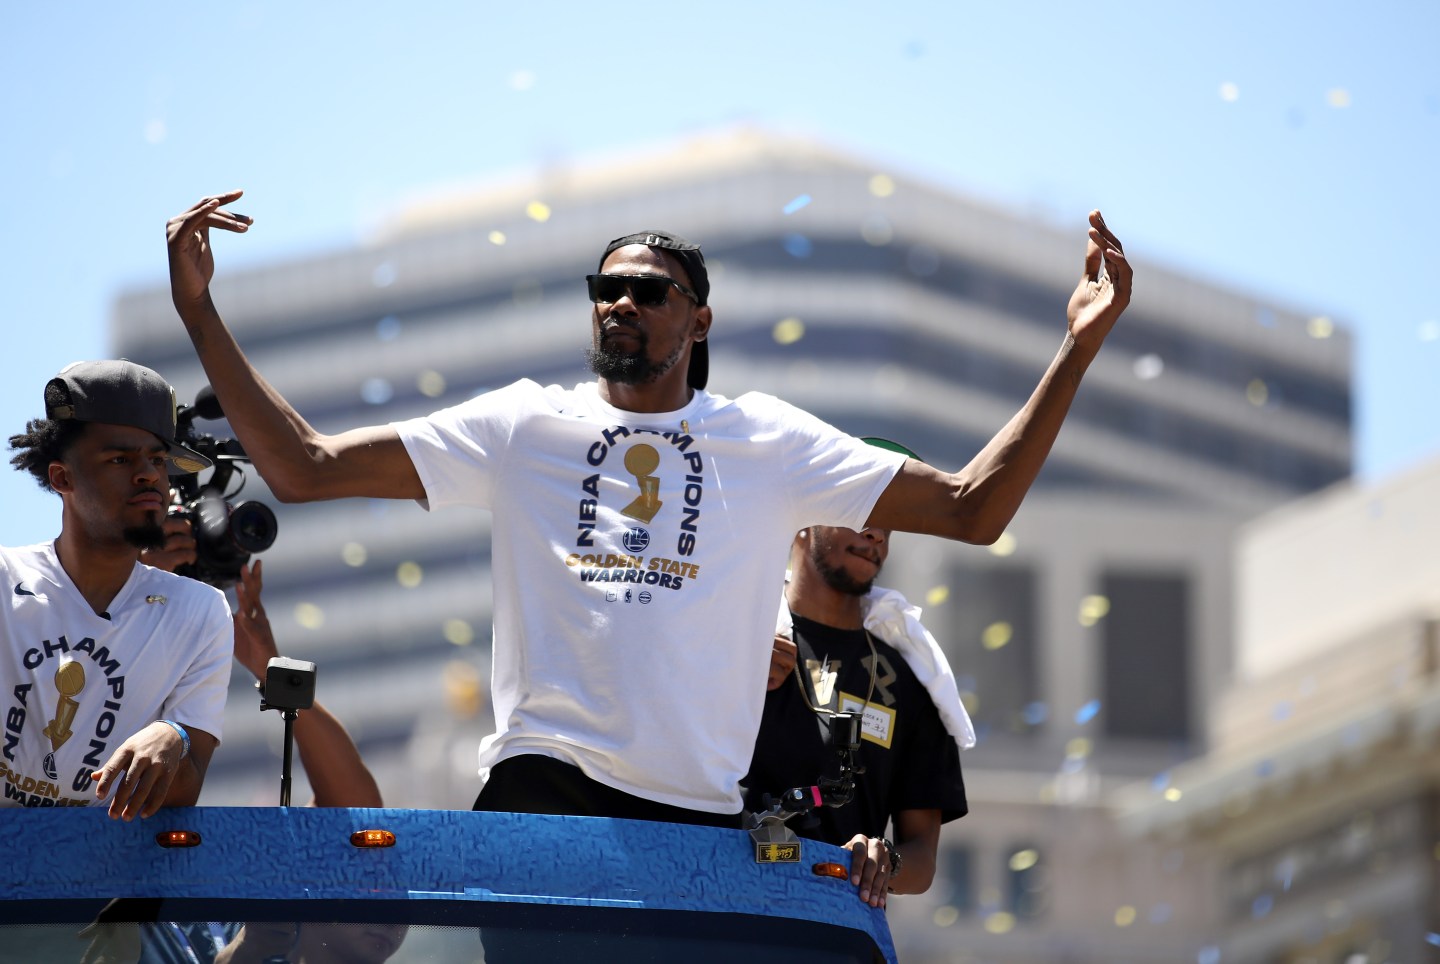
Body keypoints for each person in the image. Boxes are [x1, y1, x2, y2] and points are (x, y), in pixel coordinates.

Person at [165, 191, 1131, 828]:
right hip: (541, 788)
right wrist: (203, 314)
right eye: (607, 290)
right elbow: (303, 466)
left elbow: (972, 508)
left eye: (649, 292)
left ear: (698, 319)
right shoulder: (523, 426)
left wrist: (1078, 349)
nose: (621, 305)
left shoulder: (768, 440)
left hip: (698, 817)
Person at [2, 360, 233, 820]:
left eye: (156, 459)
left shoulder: (200, 611)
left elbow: (186, 788)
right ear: (62, 479)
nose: (149, 474)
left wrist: (175, 736)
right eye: (120, 459)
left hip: (111, 882)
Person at [744, 447, 972, 907]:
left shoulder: (912, 680)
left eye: (887, 522)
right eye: (859, 510)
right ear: (802, 522)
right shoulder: (735, 634)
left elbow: (922, 858)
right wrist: (727, 661)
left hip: (835, 928)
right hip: (717, 906)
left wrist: (884, 861)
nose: (876, 533)